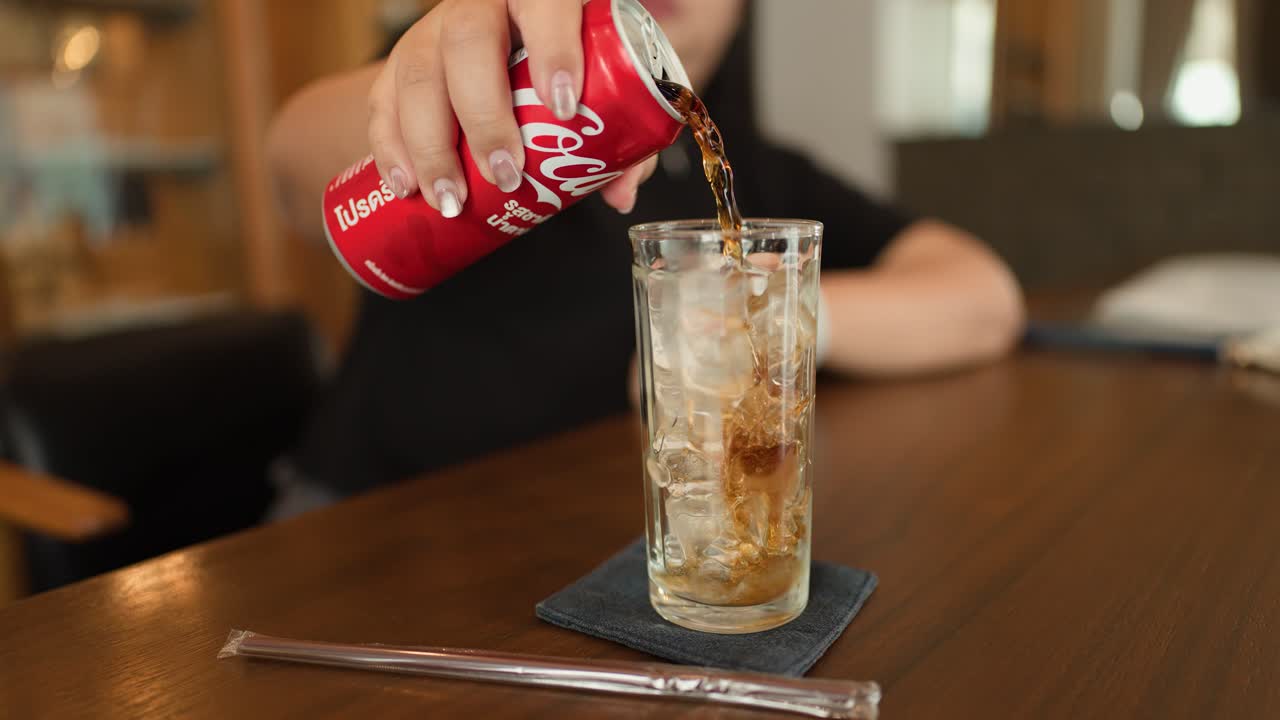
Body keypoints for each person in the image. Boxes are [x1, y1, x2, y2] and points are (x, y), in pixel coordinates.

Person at [265, 0, 1024, 514]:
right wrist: (442, 73)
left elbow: (986, 295)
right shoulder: (485, 79)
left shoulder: (749, 164)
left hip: (603, 554)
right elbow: (294, 173)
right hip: (371, 527)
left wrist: (763, 320)